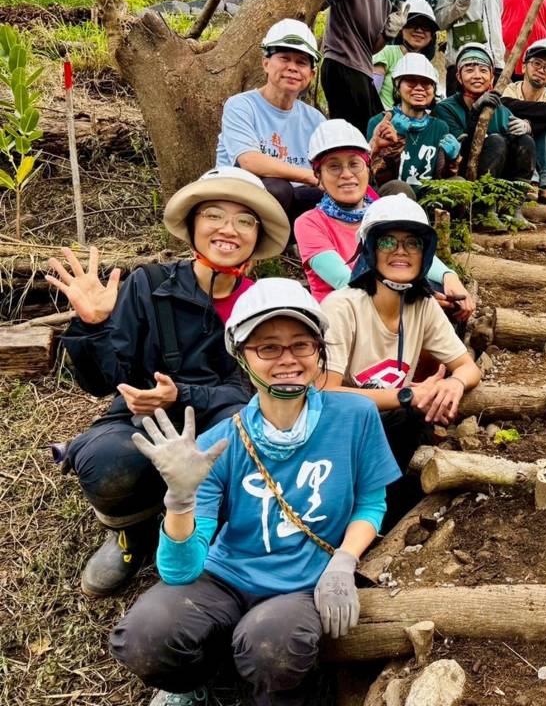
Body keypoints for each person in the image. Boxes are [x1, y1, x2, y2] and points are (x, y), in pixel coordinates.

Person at [109, 278, 402, 706]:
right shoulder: (218, 443)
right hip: (225, 577)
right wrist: (180, 500)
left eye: (301, 344)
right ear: (242, 355)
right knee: (144, 637)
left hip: (301, 585)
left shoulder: (356, 415)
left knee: (273, 646)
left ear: (319, 349)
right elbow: (181, 572)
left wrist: (343, 561)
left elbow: (371, 502)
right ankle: (202, 680)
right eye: (268, 348)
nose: (288, 359)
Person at [47, 167, 291, 597]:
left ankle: (208, 531)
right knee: (105, 460)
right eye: (214, 215)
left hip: (222, 417)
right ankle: (131, 533)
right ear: (193, 225)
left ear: (257, 236)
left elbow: (249, 387)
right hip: (141, 419)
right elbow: (105, 381)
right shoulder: (149, 284)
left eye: (245, 220)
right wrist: (96, 325)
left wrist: (182, 395)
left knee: (244, 440)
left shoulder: (262, 303)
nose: (228, 229)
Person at [318, 196, 481, 526]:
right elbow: (324, 392)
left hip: (392, 432)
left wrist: (454, 382)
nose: (400, 251)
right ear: (370, 249)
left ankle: (383, 522)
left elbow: (468, 367)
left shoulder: (422, 305)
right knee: (407, 418)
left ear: (425, 253)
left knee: (412, 422)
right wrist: (407, 395)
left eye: (412, 242)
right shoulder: (341, 306)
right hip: (339, 434)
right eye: (388, 241)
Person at [293, 120, 475, 321]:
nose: (346, 175)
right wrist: (417, 295)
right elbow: (345, 281)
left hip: (392, 306)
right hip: (346, 318)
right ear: (318, 176)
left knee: (442, 291)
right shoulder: (309, 223)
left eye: (354, 164)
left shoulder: (380, 209)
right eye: (334, 167)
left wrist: (449, 276)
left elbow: (415, 253)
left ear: (368, 168)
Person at [215, 19, 325, 225]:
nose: (292, 68)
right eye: (284, 58)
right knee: (277, 189)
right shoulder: (241, 105)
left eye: (301, 62)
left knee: (325, 197)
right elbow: (250, 161)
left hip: (294, 206)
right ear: (266, 63)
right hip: (239, 203)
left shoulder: (315, 119)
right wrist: (312, 176)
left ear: (311, 74)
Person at [321, 0, 409, 135]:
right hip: (340, 65)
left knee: (377, 128)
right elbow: (320, 1)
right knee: (354, 134)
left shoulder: (386, 3)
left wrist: (388, 34)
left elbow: (371, 47)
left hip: (362, 71)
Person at [432, 43, 536, 214]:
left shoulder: (500, 110)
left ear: (491, 77)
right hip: (463, 175)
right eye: (469, 70)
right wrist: (475, 112)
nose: (477, 76)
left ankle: (512, 207)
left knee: (526, 141)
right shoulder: (445, 108)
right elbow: (460, 148)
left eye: (483, 70)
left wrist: (526, 126)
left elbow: (517, 144)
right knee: (496, 141)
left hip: (499, 178)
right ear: (459, 77)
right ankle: (484, 209)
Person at [366, 54, 460, 191]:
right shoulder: (379, 122)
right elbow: (374, 176)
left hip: (427, 198)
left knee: (458, 183)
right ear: (397, 86)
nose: (419, 88)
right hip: (392, 197)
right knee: (398, 187)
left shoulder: (440, 127)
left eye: (426, 83)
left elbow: (442, 179)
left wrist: (452, 161)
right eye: (411, 82)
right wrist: (395, 141)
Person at [502, 39, 546, 204]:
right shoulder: (511, 89)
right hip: (515, 152)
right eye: (537, 64)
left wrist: (530, 125)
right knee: (516, 123)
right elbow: (507, 105)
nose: (541, 70)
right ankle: (529, 179)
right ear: (524, 67)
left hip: (545, 151)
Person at [371, 0, 440, 110]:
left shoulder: (431, 69)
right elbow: (371, 94)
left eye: (426, 27)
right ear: (401, 28)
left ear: (432, 36)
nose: (419, 30)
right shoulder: (386, 53)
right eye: (413, 24)